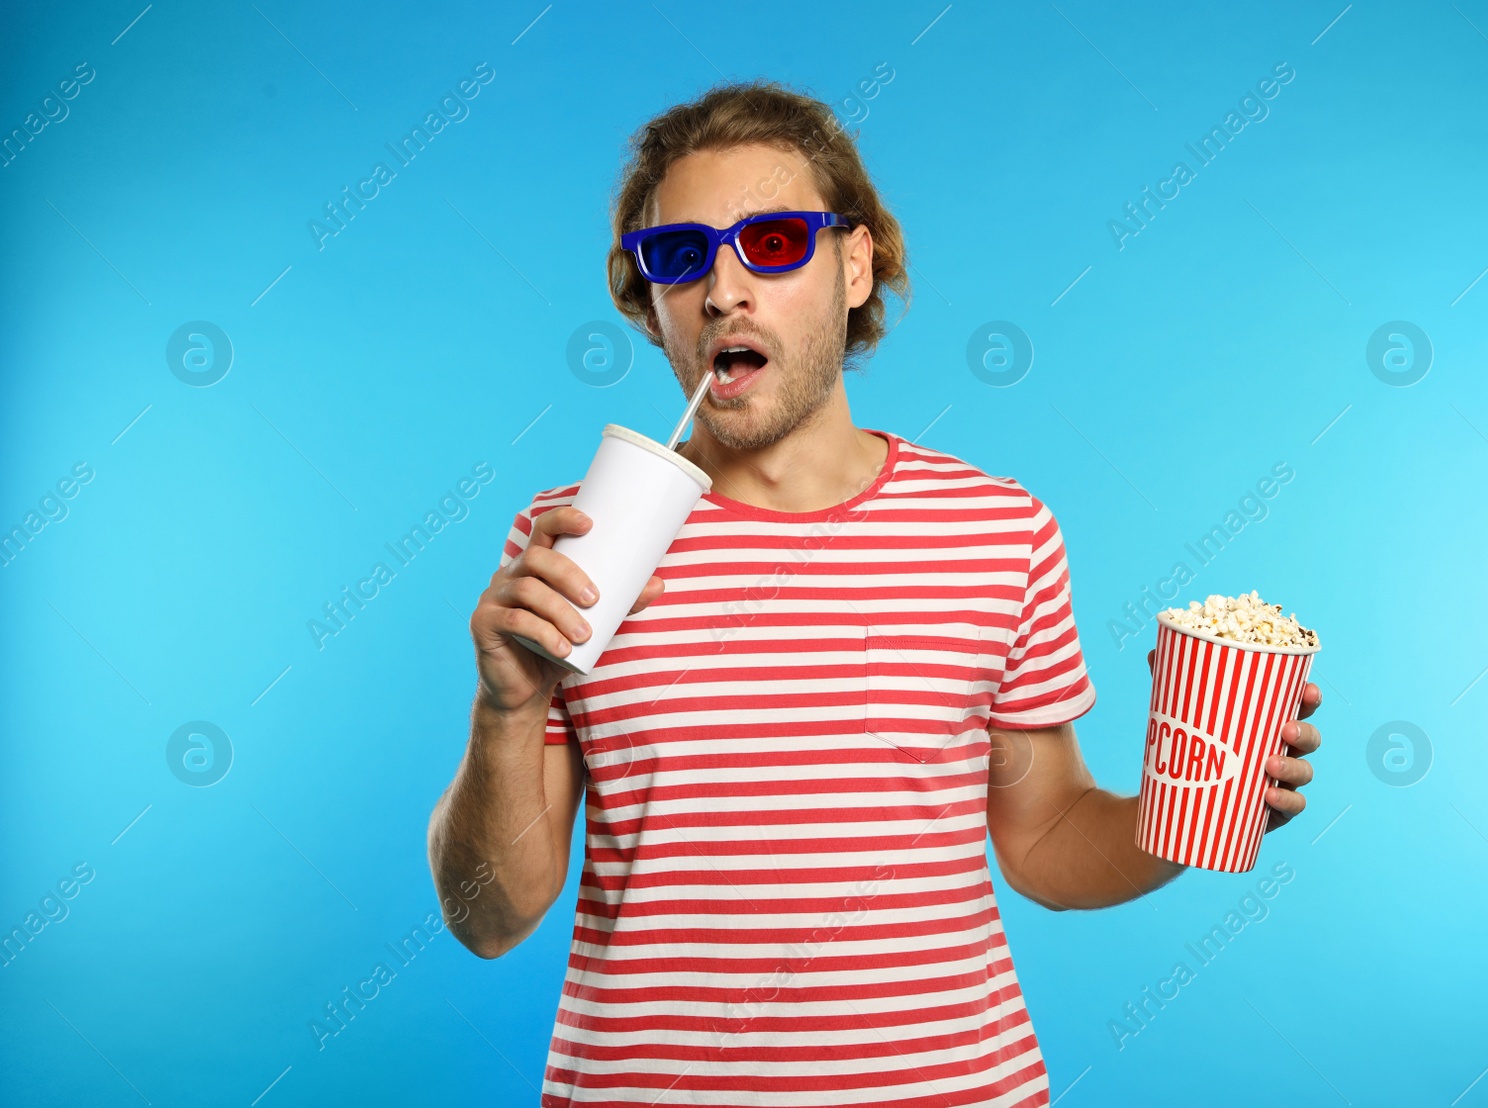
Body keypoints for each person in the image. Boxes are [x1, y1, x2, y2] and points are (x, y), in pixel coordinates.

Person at [427, 79, 1323, 1108]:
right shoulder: (572, 542)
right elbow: (489, 919)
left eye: (769, 243)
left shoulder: (997, 531)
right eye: (680, 257)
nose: (723, 290)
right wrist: (505, 706)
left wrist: (1200, 804)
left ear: (855, 264)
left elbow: (1042, 842)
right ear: (654, 301)